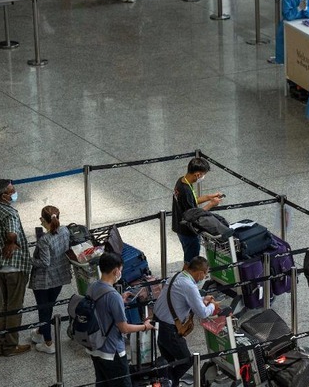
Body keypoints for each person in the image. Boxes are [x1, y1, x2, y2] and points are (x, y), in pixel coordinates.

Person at [88, 252, 155, 387]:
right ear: (115, 271)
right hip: (112, 351)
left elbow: (103, 311)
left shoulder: (93, 287)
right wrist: (145, 326)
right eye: (120, 270)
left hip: (95, 347)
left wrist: (121, 302)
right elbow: (124, 328)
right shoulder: (113, 296)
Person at [153, 256, 218, 386]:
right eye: (204, 276)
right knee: (187, 360)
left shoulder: (177, 276)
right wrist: (213, 306)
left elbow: (183, 298)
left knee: (169, 360)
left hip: (157, 323)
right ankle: (169, 381)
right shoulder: (189, 286)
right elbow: (202, 313)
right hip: (169, 329)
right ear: (200, 273)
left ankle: (168, 380)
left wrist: (202, 299)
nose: (203, 278)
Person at [0, 179, 32, 357]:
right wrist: (11, 242)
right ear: (4, 196)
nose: (15, 193)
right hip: (14, 268)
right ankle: (10, 346)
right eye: (12, 191)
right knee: (14, 308)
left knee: (4, 306)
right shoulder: (9, 214)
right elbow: (12, 231)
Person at [29, 206, 72, 354]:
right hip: (60, 277)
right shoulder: (65, 231)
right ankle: (40, 331)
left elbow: (45, 263)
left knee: (43, 310)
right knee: (49, 306)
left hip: (43, 281)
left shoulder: (44, 240)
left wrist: (29, 260)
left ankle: (48, 343)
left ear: (42, 219)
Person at [172, 158, 223, 265]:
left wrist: (209, 197)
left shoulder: (182, 181)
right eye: (203, 174)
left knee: (189, 257)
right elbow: (194, 216)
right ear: (197, 174)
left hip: (179, 226)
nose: (203, 177)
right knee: (191, 263)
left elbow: (192, 201)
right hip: (188, 232)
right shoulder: (186, 191)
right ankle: (186, 280)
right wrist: (211, 204)